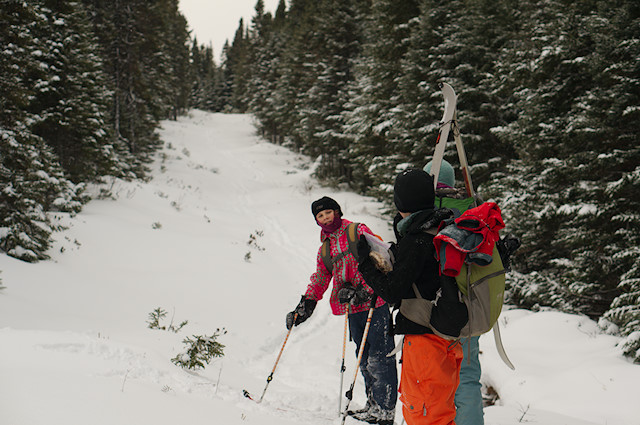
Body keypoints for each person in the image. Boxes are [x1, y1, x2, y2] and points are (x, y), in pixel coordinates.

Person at [357, 169, 468, 425]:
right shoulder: (441, 228)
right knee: (440, 413)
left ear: (402, 201)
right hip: (445, 337)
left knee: (424, 414)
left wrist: (366, 264)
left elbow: (392, 291)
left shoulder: (418, 240)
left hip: (426, 340)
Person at [286, 196, 398, 425]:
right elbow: (320, 277)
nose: (325, 217)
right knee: (364, 358)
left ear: (337, 211)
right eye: (320, 215)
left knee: (380, 357)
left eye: (328, 212)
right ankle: (373, 405)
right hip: (352, 307)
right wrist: (307, 302)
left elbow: (381, 256)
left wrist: (367, 288)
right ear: (316, 220)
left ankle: (386, 410)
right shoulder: (325, 249)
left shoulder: (357, 231)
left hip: (374, 302)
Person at [424, 159, 484, 425]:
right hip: (470, 302)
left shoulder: (423, 211)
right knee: (468, 376)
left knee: (436, 378)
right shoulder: (473, 210)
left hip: (435, 310)